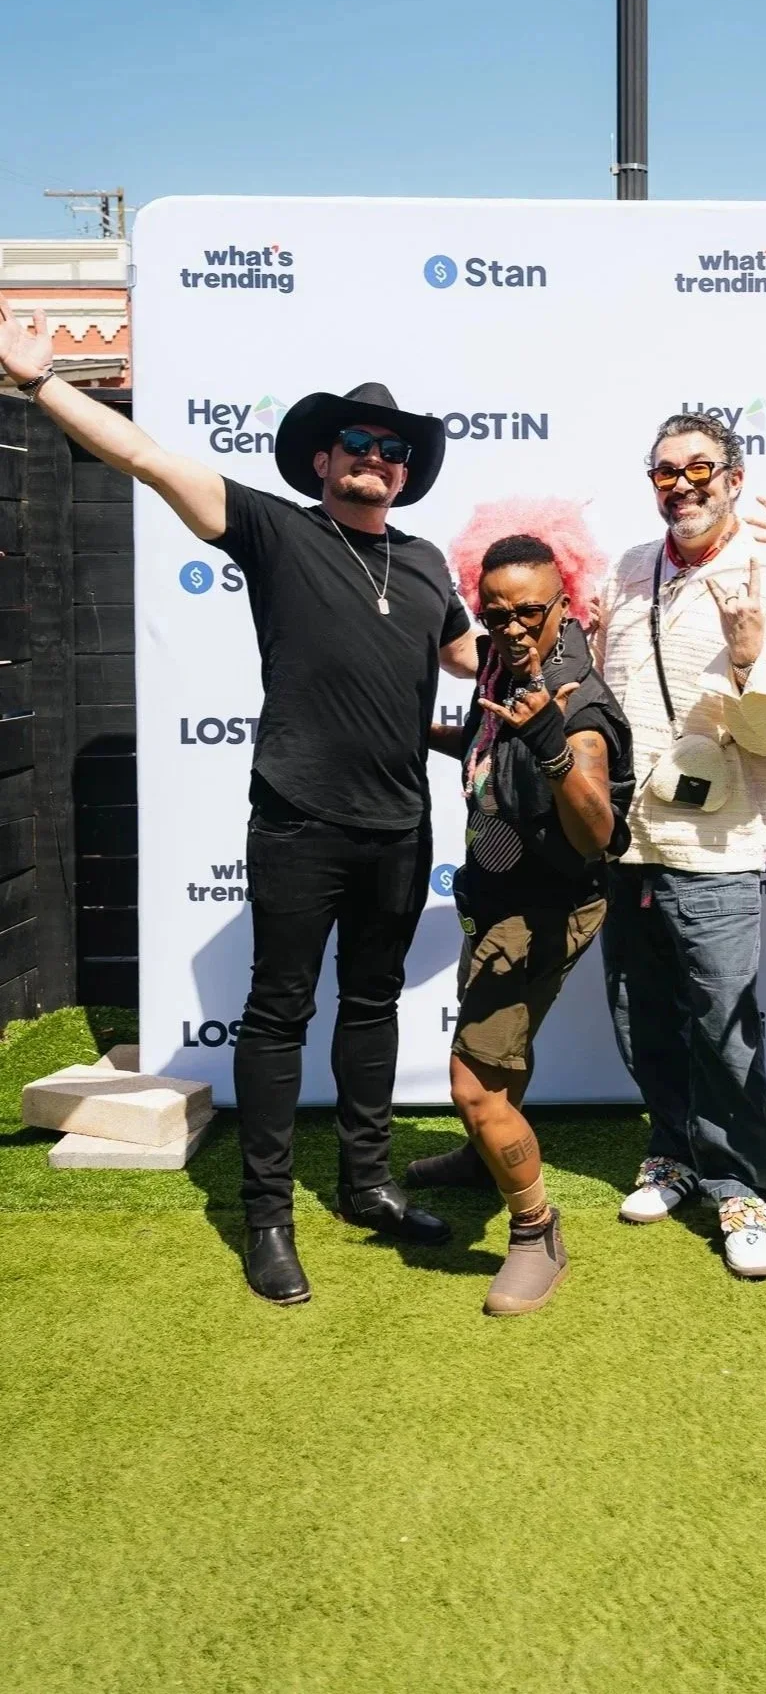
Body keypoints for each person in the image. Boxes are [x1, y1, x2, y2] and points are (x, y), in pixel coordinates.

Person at [0, 296, 478, 1306]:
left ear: (405, 471)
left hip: (402, 826)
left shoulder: (428, 562)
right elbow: (147, 457)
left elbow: (477, 660)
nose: (375, 458)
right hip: (299, 817)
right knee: (277, 1013)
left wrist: (565, 629)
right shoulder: (274, 529)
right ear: (322, 458)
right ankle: (267, 1217)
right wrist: (41, 382)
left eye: (392, 449)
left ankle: (367, 1184)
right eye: (358, 442)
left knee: (373, 1006)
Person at [594, 412, 766, 1280]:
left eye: (699, 468)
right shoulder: (627, 568)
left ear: (733, 477)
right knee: (638, 1014)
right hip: (624, 840)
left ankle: (744, 1187)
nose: (681, 484)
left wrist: (750, 659)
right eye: (664, 470)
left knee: (722, 1029)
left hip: (715, 847)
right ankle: (674, 1151)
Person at [418, 518, 633, 1315]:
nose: (510, 628)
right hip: (496, 895)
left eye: (528, 612)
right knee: (500, 1060)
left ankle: (536, 1230)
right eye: (495, 613)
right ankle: (488, 1159)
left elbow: (597, 828)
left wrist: (552, 744)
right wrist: (413, 729)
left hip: (539, 911)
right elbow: (489, 742)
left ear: (564, 602)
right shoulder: (506, 666)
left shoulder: (576, 707)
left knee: (474, 1084)